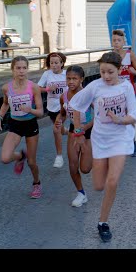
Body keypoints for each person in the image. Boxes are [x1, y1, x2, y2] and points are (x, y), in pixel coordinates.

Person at [69, 51, 136, 242]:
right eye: (102, 72)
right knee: (99, 186)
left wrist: (119, 119)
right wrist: (77, 131)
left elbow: (134, 114)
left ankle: (103, 222)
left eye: (110, 72)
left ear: (119, 70)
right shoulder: (95, 86)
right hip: (100, 139)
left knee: (112, 181)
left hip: (120, 138)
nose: (106, 76)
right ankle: (107, 168)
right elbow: (76, 105)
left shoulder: (126, 88)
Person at [0, 56, 44, 198]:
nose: (21, 71)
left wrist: (30, 110)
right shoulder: (6, 88)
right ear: (13, 70)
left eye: (24, 68)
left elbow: (40, 112)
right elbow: (5, 104)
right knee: (5, 158)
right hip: (15, 124)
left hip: (30, 124)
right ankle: (20, 156)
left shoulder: (33, 87)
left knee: (32, 162)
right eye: (18, 68)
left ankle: (36, 183)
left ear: (27, 69)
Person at [54, 65, 93, 207]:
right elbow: (63, 113)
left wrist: (86, 127)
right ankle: (81, 193)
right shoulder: (63, 96)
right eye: (68, 78)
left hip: (88, 132)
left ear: (81, 79)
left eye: (74, 79)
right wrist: (59, 119)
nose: (71, 81)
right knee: (72, 165)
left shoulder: (88, 95)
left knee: (85, 169)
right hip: (73, 131)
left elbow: (100, 115)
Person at [111, 29, 136, 157]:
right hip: (114, 94)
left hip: (129, 93)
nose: (116, 43)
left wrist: (134, 73)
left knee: (129, 119)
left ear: (123, 41)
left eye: (119, 40)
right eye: (114, 40)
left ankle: (132, 144)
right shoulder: (110, 57)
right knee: (115, 118)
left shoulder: (130, 55)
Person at [37, 52, 68, 168]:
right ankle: (67, 131)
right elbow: (38, 88)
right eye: (51, 63)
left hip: (64, 107)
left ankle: (59, 156)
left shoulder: (66, 74)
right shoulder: (47, 74)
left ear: (62, 63)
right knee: (60, 129)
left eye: (56, 63)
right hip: (51, 107)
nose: (53, 65)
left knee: (56, 130)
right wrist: (48, 89)